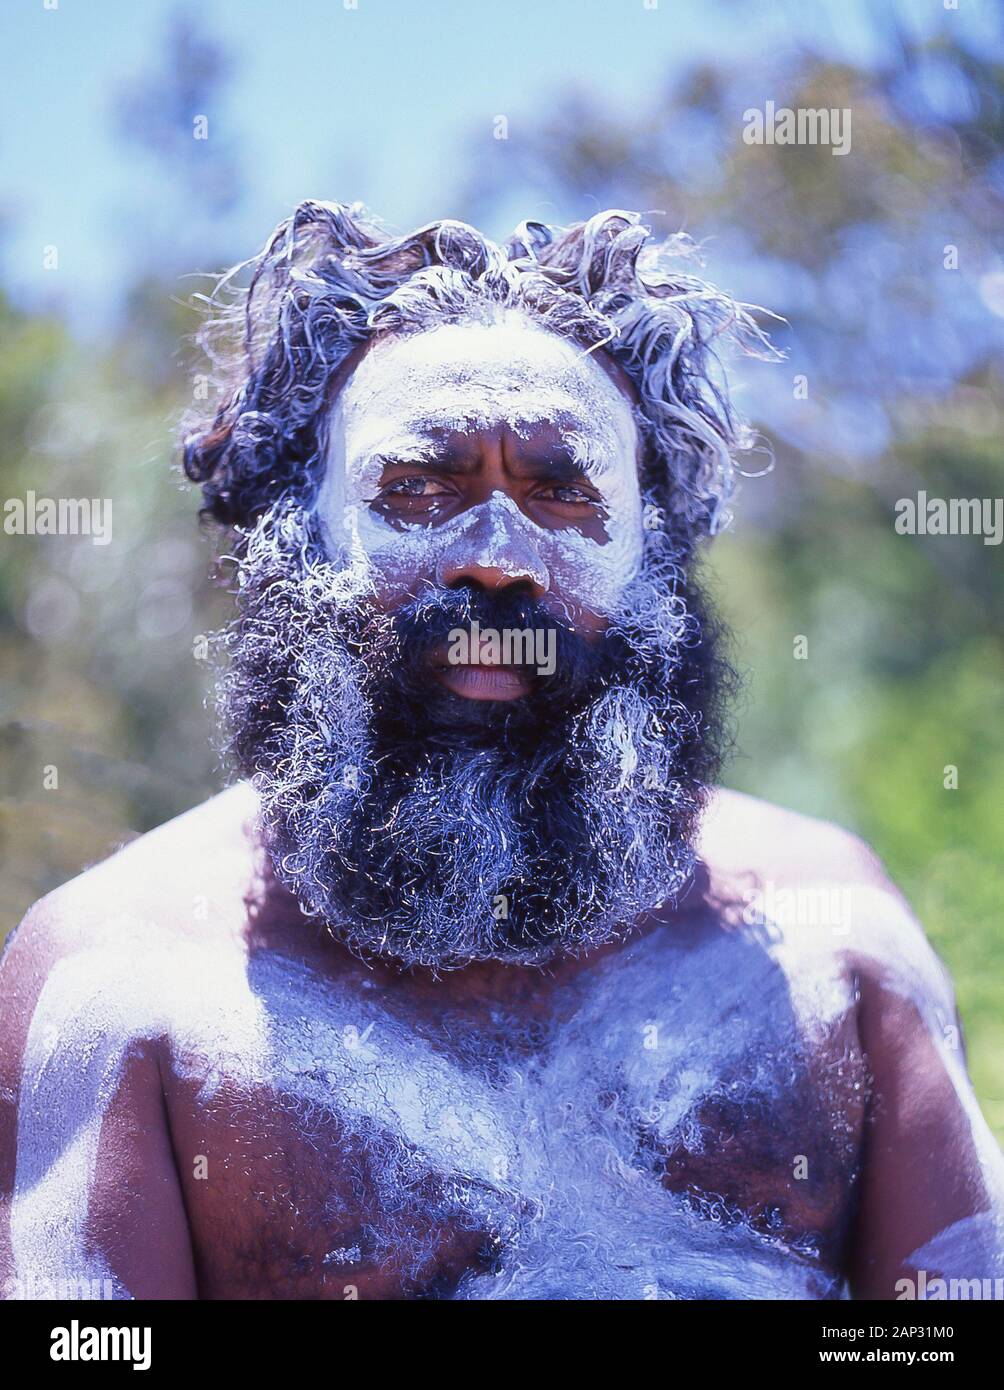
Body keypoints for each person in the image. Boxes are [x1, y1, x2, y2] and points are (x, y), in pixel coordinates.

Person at [2, 204, 1001, 1300]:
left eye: (561, 494)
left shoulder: (831, 935)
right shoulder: (120, 981)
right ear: (300, 539)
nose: (495, 561)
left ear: (650, 553)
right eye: (418, 491)